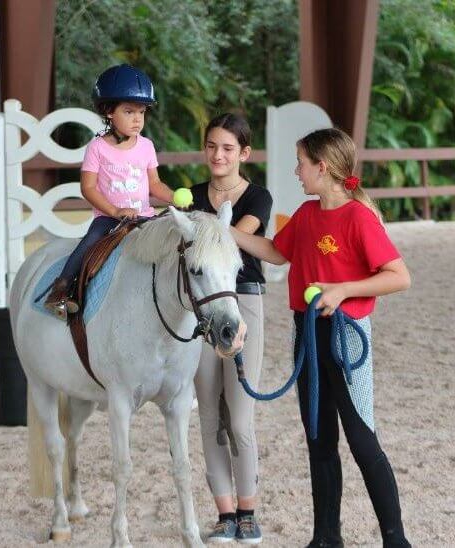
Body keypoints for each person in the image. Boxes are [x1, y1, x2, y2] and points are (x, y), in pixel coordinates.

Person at [231, 127, 412, 547]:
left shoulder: (359, 218)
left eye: (301, 162)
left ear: (322, 166)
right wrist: (226, 232)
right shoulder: (308, 214)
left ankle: (396, 539)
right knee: (319, 439)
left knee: (362, 439)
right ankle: (326, 537)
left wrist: (344, 289)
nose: (297, 171)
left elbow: (400, 277)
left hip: (346, 340)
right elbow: (277, 252)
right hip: (308, 335)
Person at [190, 113, 272, 544]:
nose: (217, 155)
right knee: (208, 415)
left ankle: (248, 511)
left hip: (243, 301)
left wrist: (199, 226)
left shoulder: (257, 197)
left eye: (227, 148)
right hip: (201, 308)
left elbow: (234, 238)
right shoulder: (192, 197)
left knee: (239, 418)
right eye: (211, 146)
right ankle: (223, 513)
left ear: (244, 153)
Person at [45, 64, 174, 319]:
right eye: (129, 111)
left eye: (141, 112)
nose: (138, 119)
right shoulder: (97, 148)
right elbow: (88, 187)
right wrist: (115, 211)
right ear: (109, 112)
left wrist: (175, 197)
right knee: (88, 245)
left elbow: (155, 184)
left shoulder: (146, 146)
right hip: (108, 218)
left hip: (143, 215)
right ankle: (62, 289)